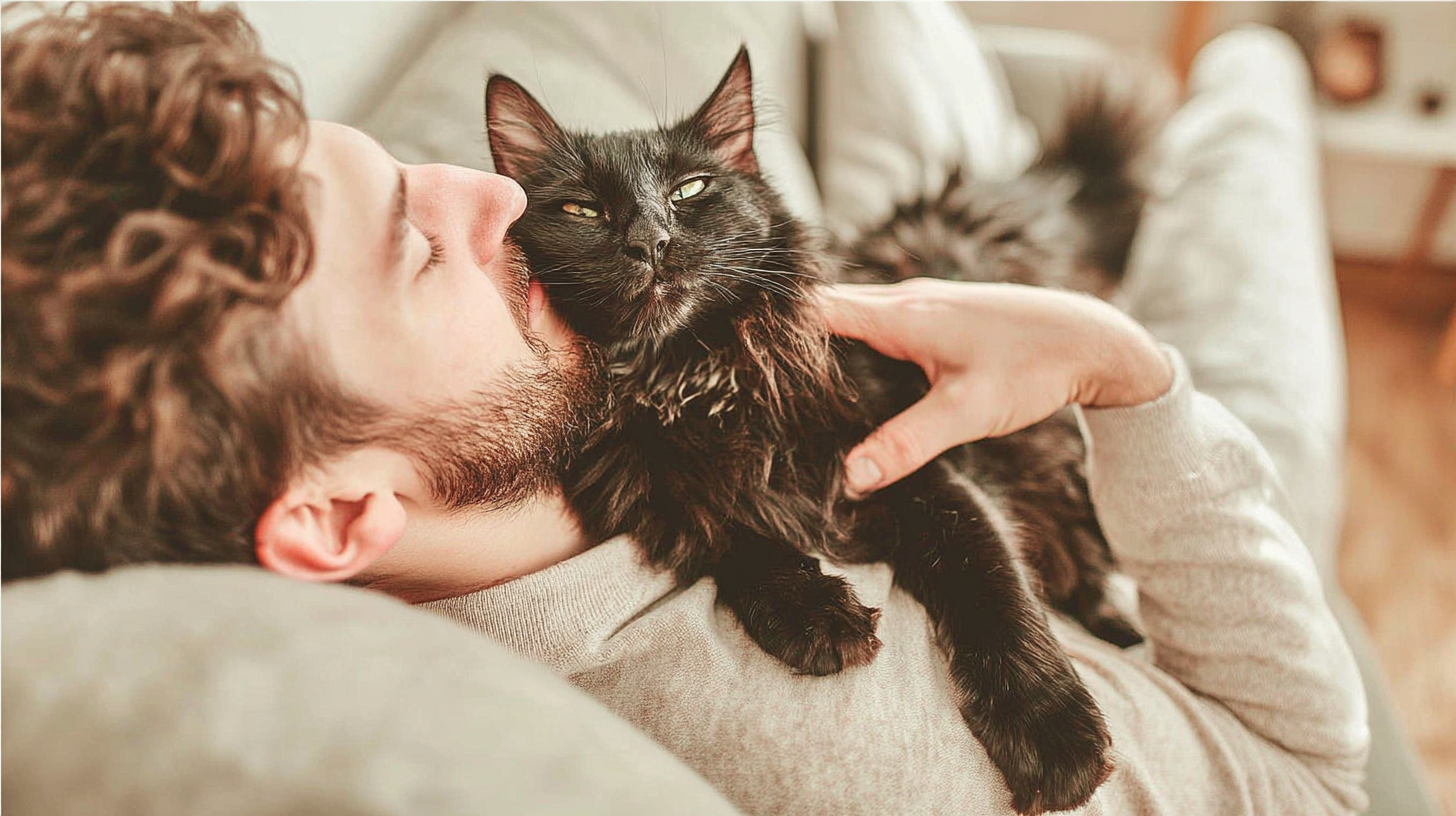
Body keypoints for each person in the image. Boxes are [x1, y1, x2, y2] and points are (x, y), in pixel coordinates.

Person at [2, 4, 1369, 815]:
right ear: (338, 512)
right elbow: (1310, 778)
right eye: (418, 243)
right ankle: (1263, 49)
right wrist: (1130, 378)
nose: (498, 203)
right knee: (1241, 148)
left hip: (927, 324)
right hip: (1181, 531)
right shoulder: (822, 747)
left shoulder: (502, 439)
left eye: (425, 173)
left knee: (955, 112)